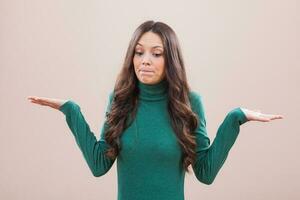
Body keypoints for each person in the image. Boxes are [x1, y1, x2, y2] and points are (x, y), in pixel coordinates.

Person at [27, 20, 283, 200]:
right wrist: (71, 111)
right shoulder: (120, 100)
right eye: (139, 53)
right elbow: (98, 165)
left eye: (156, 53)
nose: (145, 60)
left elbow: (205, 173)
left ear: (170, 59)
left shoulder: (189, 102)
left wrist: (235, 118)